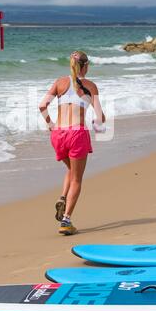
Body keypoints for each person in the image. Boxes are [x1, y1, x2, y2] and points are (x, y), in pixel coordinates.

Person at [39, 50, 106, 235]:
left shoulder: (60, 82)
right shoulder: (90, 86)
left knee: (71, 170)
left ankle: (63, 197)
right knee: (77, 178)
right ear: (85, 66)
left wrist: (51, 124)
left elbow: (42, 106)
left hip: (58, 135)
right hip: (77, 134)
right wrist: (98, 121)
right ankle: (66, 220)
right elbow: (100, 117)